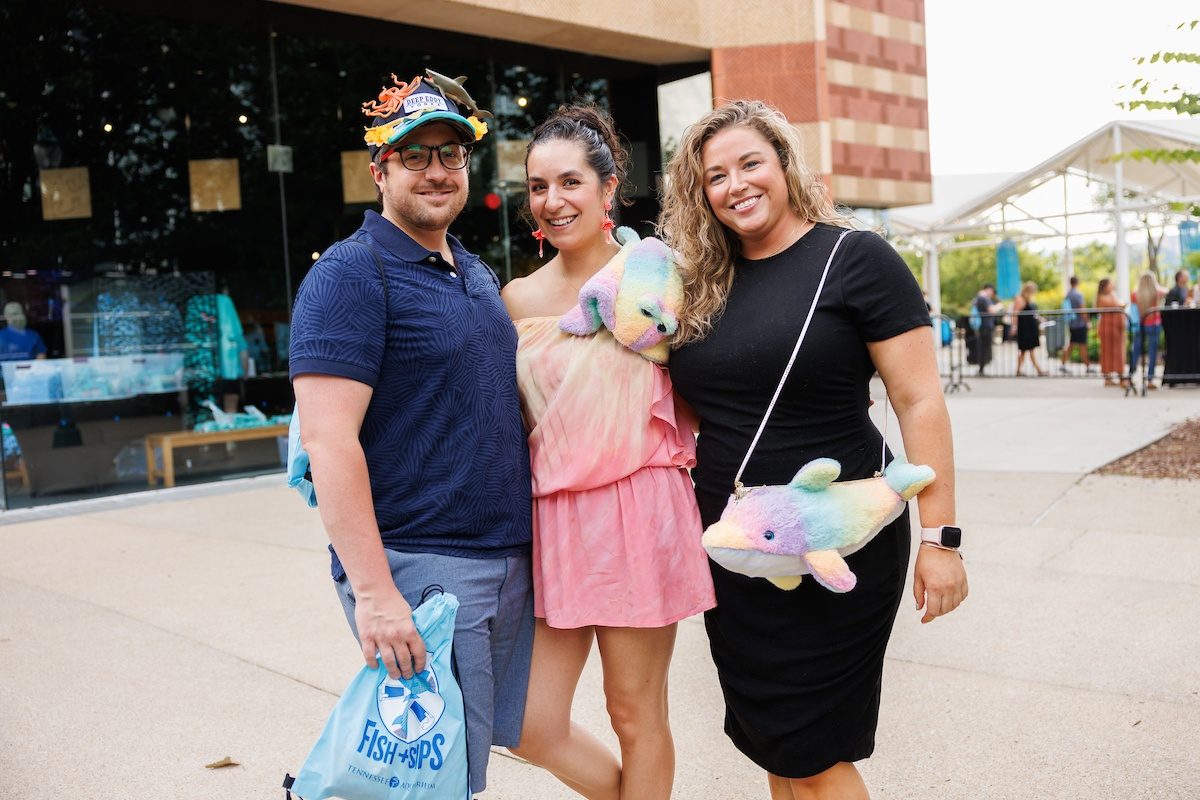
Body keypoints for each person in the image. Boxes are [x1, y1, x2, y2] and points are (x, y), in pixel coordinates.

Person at [659, 99, 967, 800]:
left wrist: (941, 538)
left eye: (749, 163)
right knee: (776, 744)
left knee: (815, 751)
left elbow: (920, 400)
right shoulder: (705, 281)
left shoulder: (856, 258)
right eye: (716, 175)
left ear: (784, 164)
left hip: (837, 542)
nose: (736, 184)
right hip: (738, 547)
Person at [288, 71, 534, 796]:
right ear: (380, 170)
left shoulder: (476, 273)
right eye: (415, 155)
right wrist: (375, 595)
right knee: (428, 778)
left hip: (502, 561)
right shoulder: (350, 275)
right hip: (426, 572)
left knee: (448, 771)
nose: (436, 171)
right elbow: (329, 443)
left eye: (451, 155)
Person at [501, 104, 716, 800]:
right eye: (538, 186)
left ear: (607, 187)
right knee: (530, 723)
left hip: (637, 510)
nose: (553, 200)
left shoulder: (658, 277)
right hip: (553, 523)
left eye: (569, 182)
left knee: (634, 712)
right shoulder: (514, 297)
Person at [1130, 271, 1167, 389]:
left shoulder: (1135, 294)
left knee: (1136, 351)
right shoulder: (1157, 292)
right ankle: (1150, 379)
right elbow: (1166, 290)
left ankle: (1130, 376)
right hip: (1154, 324)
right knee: (1152, 353)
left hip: (1141, 325)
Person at [1095, 277, 1128, 388]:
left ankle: (1120, 375)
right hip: (1108, 329)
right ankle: (1109, 377)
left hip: (1117, 329)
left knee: (1118, 352)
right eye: (1110, 284)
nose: (1112, 285)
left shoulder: (1113, 295)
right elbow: (1115, 305)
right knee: (1107, 352)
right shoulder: (1102, 298)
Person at [1013, 281, 1046, 376]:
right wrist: (1014, 326)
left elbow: (1033, 313)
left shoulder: (1029, 300)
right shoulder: (1019, 299)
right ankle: (1038, 370)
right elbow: (1015, 314)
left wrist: (1040, 319)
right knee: (1026, 350)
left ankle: (1019, 371)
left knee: (1027, 350)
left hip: (1031, 328)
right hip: (1024, 329)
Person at [1060, 275, 1091, 373]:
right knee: (1083, 345)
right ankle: (1088, 367)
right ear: (1078, 282)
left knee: (1071, 345)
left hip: (1072, 323)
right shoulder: (1078, 294)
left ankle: (1063, 364)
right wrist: (1087, 322)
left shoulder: (1068, 294)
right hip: (1080, 324)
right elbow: (1082, 310)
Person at [972, 283, 1003, 375]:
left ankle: (982, 368)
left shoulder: (980, 298)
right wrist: (999, 306)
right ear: (989, 289)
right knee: (984, 347)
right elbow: (991, 310)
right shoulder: (983, 298)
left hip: (984, 326)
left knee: (984, 347)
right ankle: (981, 368)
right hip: (985, 326)